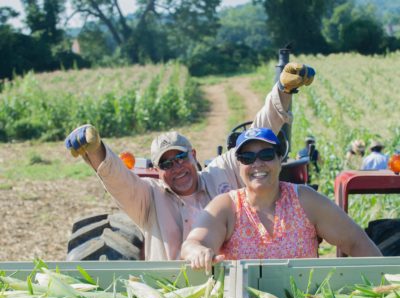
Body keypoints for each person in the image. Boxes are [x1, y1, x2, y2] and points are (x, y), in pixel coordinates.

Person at [65, 62, 316, 261]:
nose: (177, 168)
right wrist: (96, 149)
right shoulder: (148, 199)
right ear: (156, 171)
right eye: (166, 164)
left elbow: (259, 133)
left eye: (180, 157)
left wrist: (282, 91)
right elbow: (118, 179)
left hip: (228, 289)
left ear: (193, 155)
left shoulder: (221, 173)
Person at [181, 127, 382, 272]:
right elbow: (194, 242)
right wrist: (197, 251)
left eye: (266, 155)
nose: (257, 164)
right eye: (247, 158)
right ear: (239, 165)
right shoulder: (226, 206)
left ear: (280, 160)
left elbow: (355, 240)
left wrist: (387, 281)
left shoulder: (305, 200)